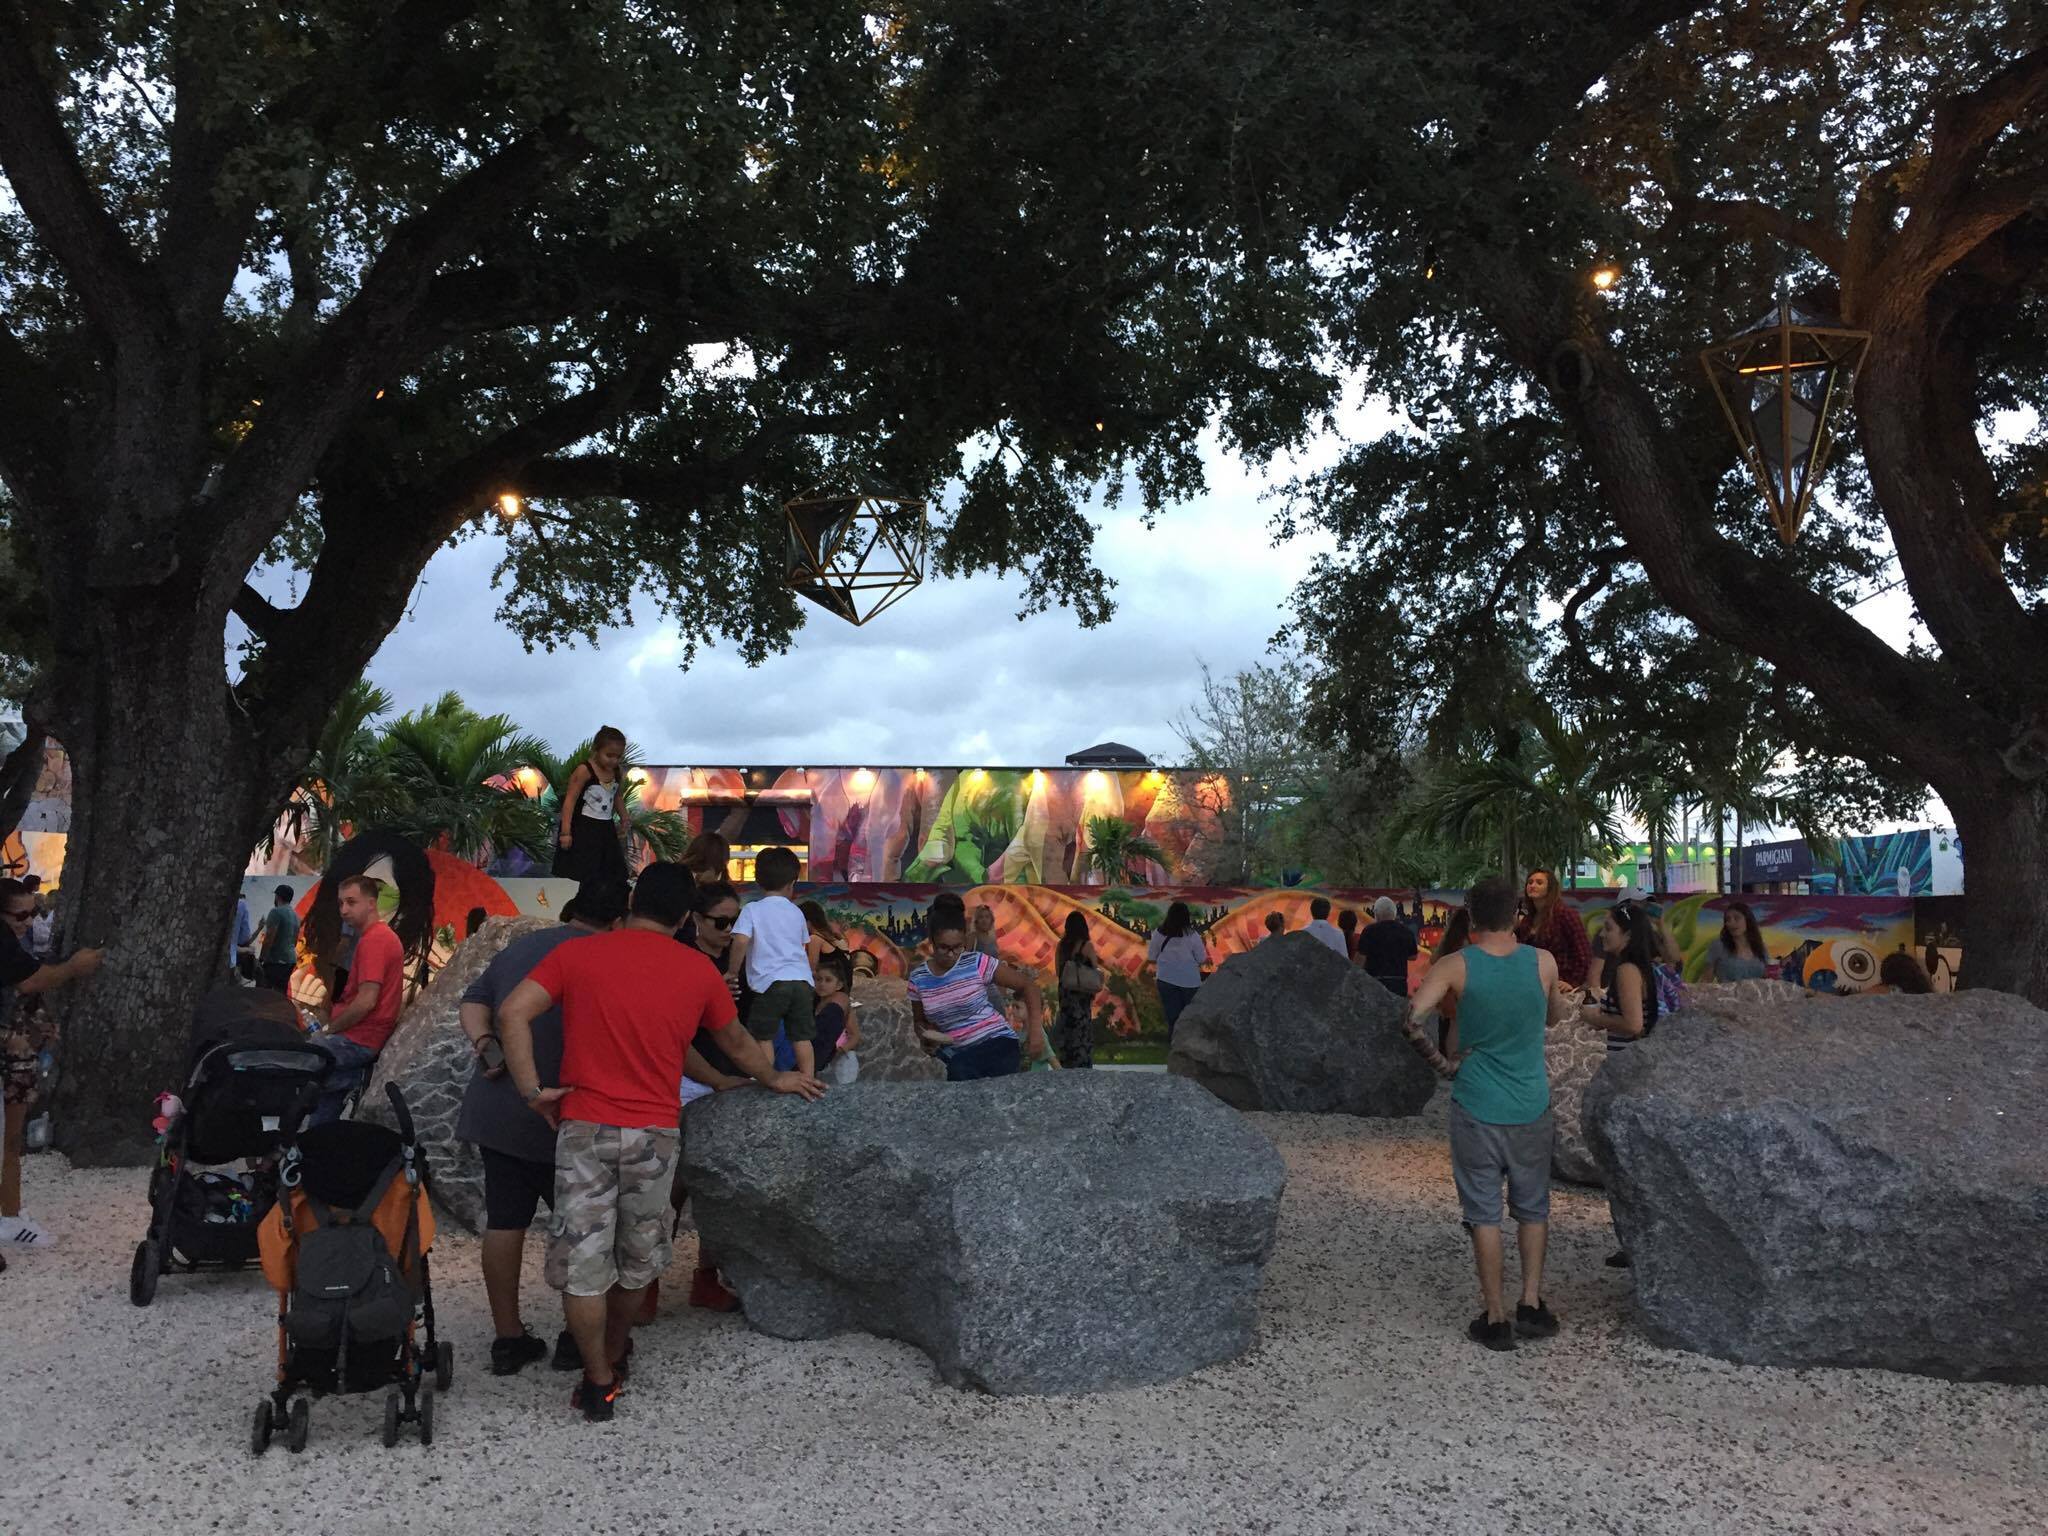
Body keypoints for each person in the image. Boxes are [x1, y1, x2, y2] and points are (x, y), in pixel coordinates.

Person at [497, 862, 825, 1423]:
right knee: (636, 1261)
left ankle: (597, 1380)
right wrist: (774, 1078)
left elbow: (511, 1013)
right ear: (684, 917)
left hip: (584, 1128)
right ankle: (615, 1350)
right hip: (653, 1134)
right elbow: (736, 1041)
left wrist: (532, 1091)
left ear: (632, 904)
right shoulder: (695, 970)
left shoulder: (579, 954)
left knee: (583, 1265)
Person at [457, 879, 628, 1375]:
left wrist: (486, 1043)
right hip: (567, 1111)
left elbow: (474, 1001)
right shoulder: (608, 956)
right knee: (585, 1229)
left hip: (500, 1106)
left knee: (505, 1221)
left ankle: (508, 1339)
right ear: (618, 921)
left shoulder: (524, 945)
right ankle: (579, 1338)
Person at [1403, 875, 1562, 1351]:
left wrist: (1445, 1066)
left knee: (1484, 1213)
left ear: (1471, 916)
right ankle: (1530, 1303)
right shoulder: (1543, 962)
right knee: (1533, 1208)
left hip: (1476, 1103)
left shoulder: (1455, 965)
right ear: (1517, 913)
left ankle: (1495, 1317)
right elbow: (1555, 1017)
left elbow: (1410, 1021)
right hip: (1531, 1102)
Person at [0, 877, 102, 1251]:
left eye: (34, 913)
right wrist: (75, 966)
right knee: (8, 1141)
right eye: (20, 915)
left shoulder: (14, 941)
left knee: (11, 1141)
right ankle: (9, 1220)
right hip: (10, 1057)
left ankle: (10, 1214)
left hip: (17, 1056)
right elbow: (31, 981)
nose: (29, 922)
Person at [1580, 900, 1663, 1270]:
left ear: (1627, 935)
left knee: (1626, 1166)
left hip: (1626, 1074)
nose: (1603, 934)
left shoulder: (1627, 970)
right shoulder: (1636, 968)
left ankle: (1636, 1244)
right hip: (1632, 1072)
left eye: (1609, 928)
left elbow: (1632, 1024)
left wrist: (1596, 1018)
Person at [306, 875, 404, 1126]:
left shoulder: (375, 940)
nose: (344, 910)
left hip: (358, 1039)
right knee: (321, 1116)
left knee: (297, 1058)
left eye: (351, 902)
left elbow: (366, 1002)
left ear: (371, 903)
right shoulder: (374, 938)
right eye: (341, 903)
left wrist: (330, 1030)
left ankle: (353, 1079)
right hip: (359, 1037)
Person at [909, 911, 1045, 1080]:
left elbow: (1028, 986)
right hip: (954, 1050)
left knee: (959, 1068)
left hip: (996, 1042)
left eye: (957, 947)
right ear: (932, 942)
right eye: (944, 948)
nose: (951, 954)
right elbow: (920, 1021)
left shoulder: (976, 962)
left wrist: (1035, 1031)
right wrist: (926, 1036)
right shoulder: (918, 979)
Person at [728, 847, 820, 1078]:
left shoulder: (752, 909)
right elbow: (802, 946)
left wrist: (732, 971)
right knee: (801, 1037)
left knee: (763, 1036)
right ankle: (808, 1079)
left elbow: (740, 941)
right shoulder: (797, 912)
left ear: (758, 880)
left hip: (771, 984)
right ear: (792, 883)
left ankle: (766, 1079)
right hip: (802, 983)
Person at [553, 726, 631, 888]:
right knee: (588, 872)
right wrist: (566, 832)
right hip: (584, 828)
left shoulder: (616, 771)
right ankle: (585, 900)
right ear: (596, 750)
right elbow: (570, 801)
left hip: (605, 828)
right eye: (609, 755)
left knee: (611, 871)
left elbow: (617, 796)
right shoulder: (584, 770)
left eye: (618, 757)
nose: (613, 761)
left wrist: (624, 817)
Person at [1515, 868, 1592, 990]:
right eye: (1530, 882)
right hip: (1533, 983)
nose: (1533, 885)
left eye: (1539, 882)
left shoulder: (1565, 914)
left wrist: (1572, 982)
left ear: (1550, 888)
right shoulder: (1528, 919)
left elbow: (1583, 952)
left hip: (1560, 982)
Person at [1144, 901, 1209, 1044]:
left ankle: (1174, 1046)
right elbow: (1201, 958)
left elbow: (1151, 957)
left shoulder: (1158, 934)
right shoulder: (1192, 935)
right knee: (1190, 1017)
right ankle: (1190, 1046)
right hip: (1190, 981)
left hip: (1166, 979)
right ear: (1186, 917)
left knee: (1173, 1018)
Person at [1053, 911, 1104, 1069]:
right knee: (1081, 1034)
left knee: (1067, 1033)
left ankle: (1067, 1065)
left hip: (1066, 995)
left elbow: (1058, 971)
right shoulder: (1087, 946)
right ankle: (1082, 1067)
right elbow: (1094, 970)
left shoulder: (1061, 946)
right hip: (1081, 996)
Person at [810, 949, 862, 1084]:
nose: (822, 984)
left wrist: (841, 1050)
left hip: (838, 1059)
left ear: (838, 985)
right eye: (818, 979)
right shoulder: (814, 1003)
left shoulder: (841, 1007)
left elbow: (855, 1035)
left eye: (828, 980)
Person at [1427, 906, 1473, 1054]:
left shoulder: (1447, 942)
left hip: (1446, 994)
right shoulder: (1468, 945)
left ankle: (1445, 1057)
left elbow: (1434, 960)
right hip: (1461, 994)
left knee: (1445, 1028)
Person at [1358, 895, 1421, 997]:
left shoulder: (1369, 931)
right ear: (1394, 913)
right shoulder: (1405, 931)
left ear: (1376, 913)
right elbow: (1413, 956)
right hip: (1398, 983)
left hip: (1374, 982)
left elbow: (1360, 959)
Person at [1707, 901, 1770, 982]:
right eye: (1728, 920)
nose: (1731, 923)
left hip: (1756, 990)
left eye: (1737, 918)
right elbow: (1706, 979)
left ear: (1748, 920)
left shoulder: (1760, 947)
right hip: (1727, 990)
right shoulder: (1719, 946)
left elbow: (1765, 978)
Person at [256, 884, 301, 992]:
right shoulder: (296, 916)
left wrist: (261, 959)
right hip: (290, 961)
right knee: (279, 994)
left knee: (261, 993)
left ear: (277, 896)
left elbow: (269, 939)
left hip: (276, 961)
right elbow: (294, 942)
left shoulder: (276, 912)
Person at [230, 893, 258, 982]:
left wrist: (259, 929)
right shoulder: (240, 907)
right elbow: (232, 946)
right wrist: (246, 949)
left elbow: (247, 940)